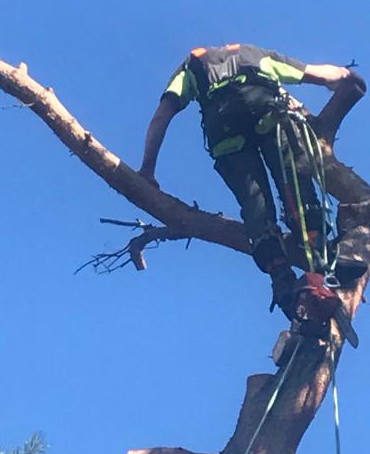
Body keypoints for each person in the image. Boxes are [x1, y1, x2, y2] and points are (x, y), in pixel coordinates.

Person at [138, 43, 365, 322]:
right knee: (295, 184)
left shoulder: (193, 65)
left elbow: (162, 115)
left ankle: (282, 278)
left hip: (224, 132)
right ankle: (322, 264)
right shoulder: (255, 54)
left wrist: (147, 169)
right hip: (267, 114)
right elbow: (317, 74)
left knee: (254, 202)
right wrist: (346, 76)